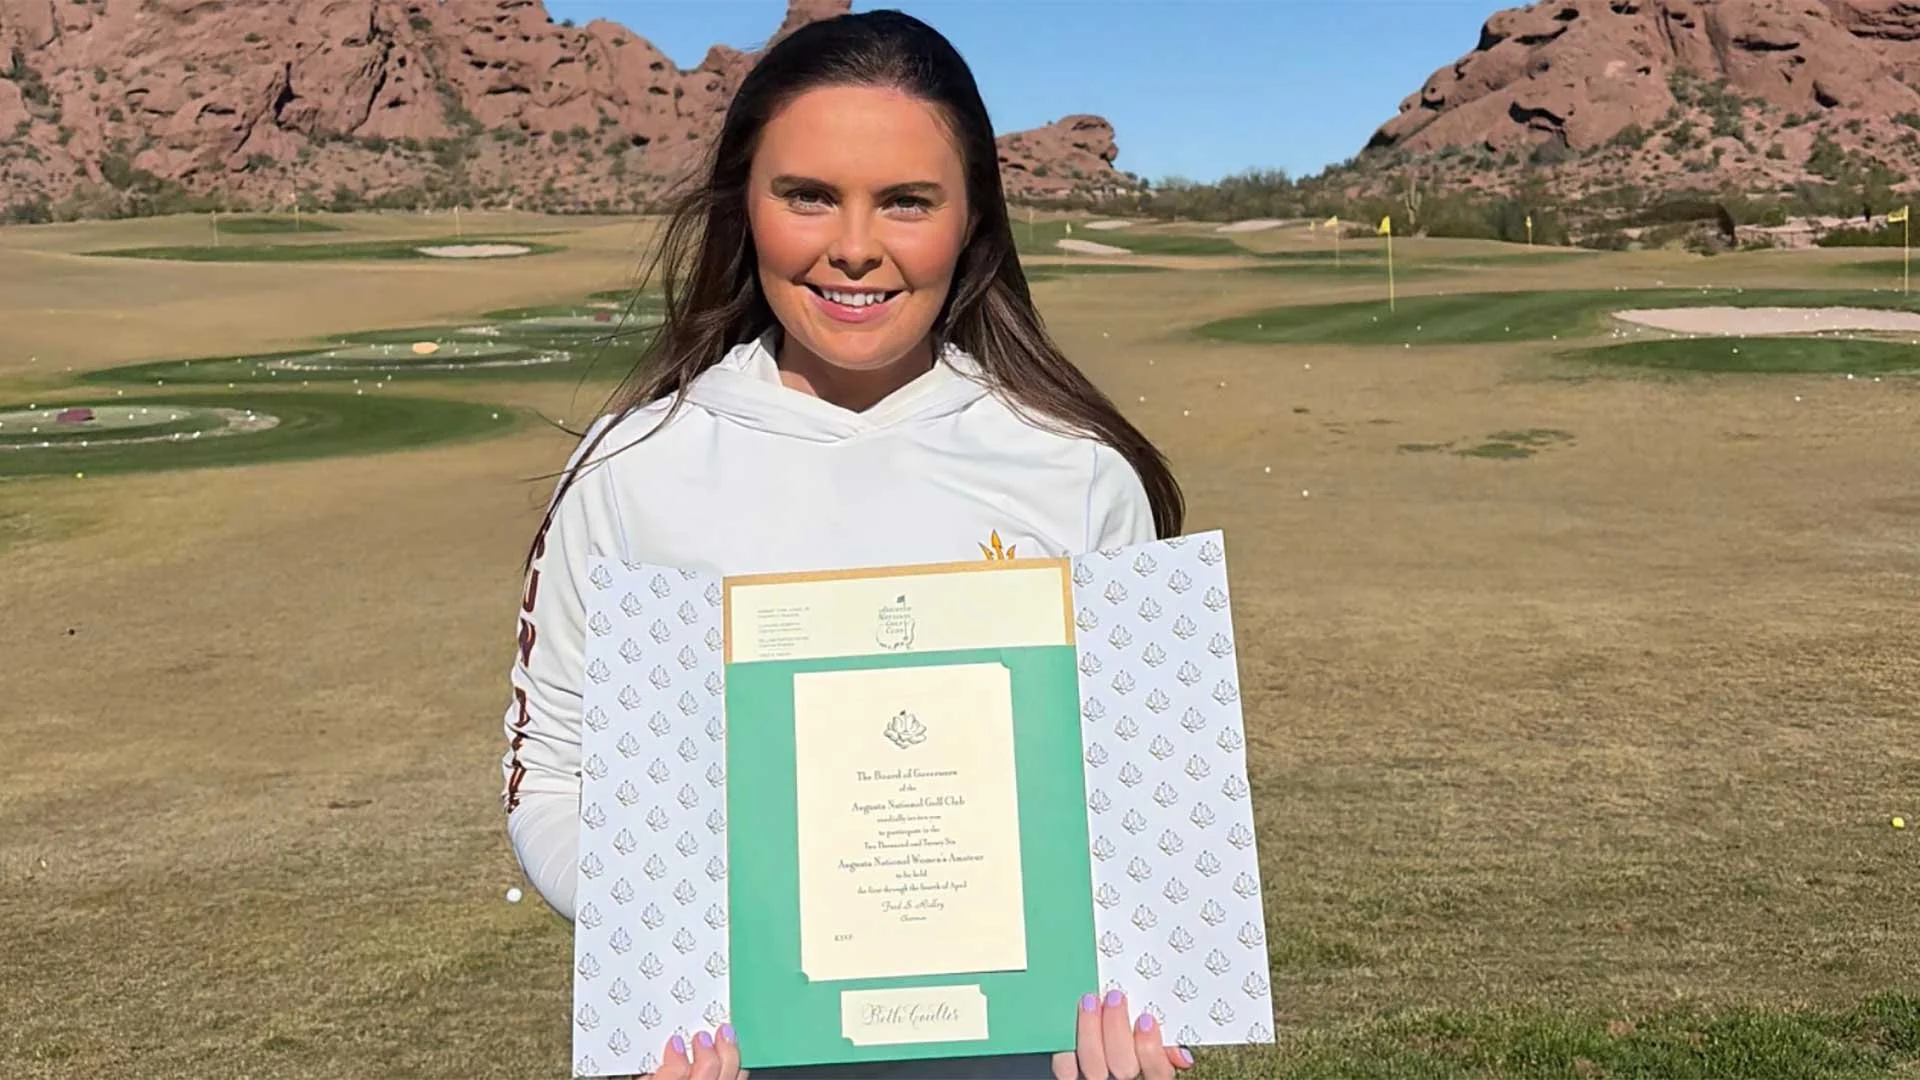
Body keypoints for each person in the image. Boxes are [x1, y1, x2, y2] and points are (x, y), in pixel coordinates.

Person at [501, 10, 1193, 1080]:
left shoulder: (1077, 468)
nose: (856, 246)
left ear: (972, 218)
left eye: (907, 200)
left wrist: (1134, 1005)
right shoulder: (635, 467)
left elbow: (1143, 810)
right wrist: (684, 950)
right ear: (746, 204)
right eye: (809, 195)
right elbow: (552, 779)